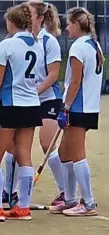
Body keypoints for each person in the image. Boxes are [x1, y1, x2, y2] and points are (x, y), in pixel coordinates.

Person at [0, 2, 43, 222]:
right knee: (23, 154)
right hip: (31, 104)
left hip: (10, 104)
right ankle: (22, 208)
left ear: (11, 22)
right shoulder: (37, 44)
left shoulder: (7, 45)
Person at [1, 1, 65, 208]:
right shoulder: (16, 39)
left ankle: (65, 191)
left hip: (47, 98)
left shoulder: (49, 41)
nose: (25, 16)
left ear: (40, 18)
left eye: (30, 13)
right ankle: (8, 191)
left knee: (47, 142)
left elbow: (54, 74)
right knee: (13, 145)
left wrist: (34, 94)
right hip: (24, 99)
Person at [49, 7, 104, 216]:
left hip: (77, 107)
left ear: (77, 25)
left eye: (69, 24)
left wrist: (66, 107)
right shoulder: (93, 44)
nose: (66, 27)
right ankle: (70, 198)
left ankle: (88, 203)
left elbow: (75, 80)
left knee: (77, 155)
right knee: (62, 155)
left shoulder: (78, 48)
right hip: (88, 106)